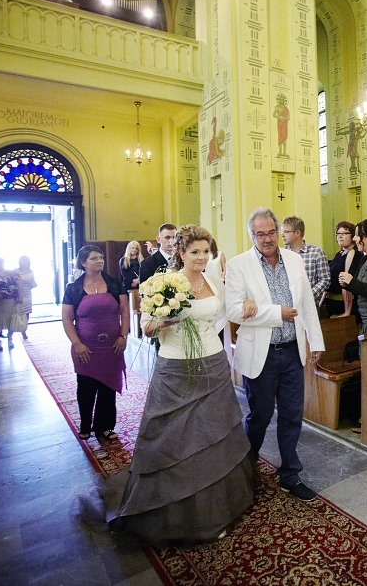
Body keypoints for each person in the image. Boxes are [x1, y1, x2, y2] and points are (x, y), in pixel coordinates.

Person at [111, 225, 259, 545]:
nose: (201, 257)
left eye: (206, 251)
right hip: (176, 367)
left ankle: (216, 511)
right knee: (177, 441)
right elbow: (147, 327)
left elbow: (226, 313)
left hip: (213, 364)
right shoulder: (163, 283)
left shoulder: (214, 281)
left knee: (212, 437)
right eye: (195, 252)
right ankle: (175, 514)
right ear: (181, 253)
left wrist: (246, 306)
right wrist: (164, 321)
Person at [225, 208, 325, 502]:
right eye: (260, 234)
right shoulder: (238, 265)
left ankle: (290, 475)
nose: (267, 239)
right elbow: (233, 310)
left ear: (278, 232)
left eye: (271, 232)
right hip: (261, 354)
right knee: (260, 416)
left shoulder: (293, 260)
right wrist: (274, 314)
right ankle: (247, 467)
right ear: (251, 235)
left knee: (293, 415)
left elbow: (306, 302)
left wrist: (316, 341)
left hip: (292, 351)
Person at [62, 245, 130, 441]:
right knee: (85, 387)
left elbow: (124, 310)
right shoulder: (73, 288)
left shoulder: (115, 283)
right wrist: (77, 343)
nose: (99, 261)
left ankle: (104, 426)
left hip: (112, 347)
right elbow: (67, 319)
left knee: (108, 387)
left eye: (100, 257)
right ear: (83, 263)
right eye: (93, 258)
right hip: (86, 347)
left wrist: (123, 335)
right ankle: (85, 425)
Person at [281, 216, 330, 307]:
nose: (282, 235)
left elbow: (325, 280)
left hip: (310, 305)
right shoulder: (281, 254)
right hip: (288, 305)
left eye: (286, 232)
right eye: (282, 232)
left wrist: (308, 296)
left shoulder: (316, 252)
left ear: (298, 233)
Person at [325, 221, 356, 317]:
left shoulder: (353, 253)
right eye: (338, 233)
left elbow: (347, 284)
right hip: (331, 302)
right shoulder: (339, 254)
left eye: (344, 233)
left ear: (352, 236)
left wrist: (347, 312)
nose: (340, 236)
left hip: (343, 303)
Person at [10, 255, 37, 341]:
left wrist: (31, 284)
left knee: (27, 314)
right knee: (16, 314)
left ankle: (24, 330)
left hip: (28, 294)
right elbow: (11, 282)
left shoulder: (31, 271)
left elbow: (34, 283)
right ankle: (11, 334)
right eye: (22, 261)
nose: (24, 263)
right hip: (17, 293)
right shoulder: (15, 271)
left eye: (25, 261)